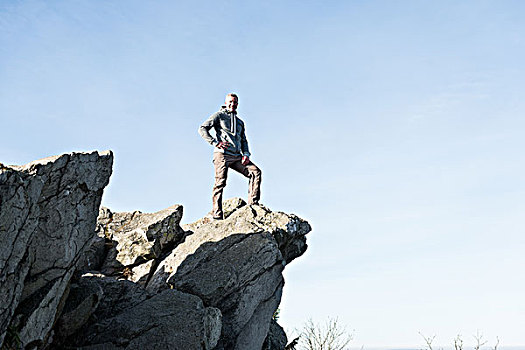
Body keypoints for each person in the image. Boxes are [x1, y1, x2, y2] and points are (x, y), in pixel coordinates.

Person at [198, 93, 262, 220]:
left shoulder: (240, 122)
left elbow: (244, 140)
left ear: (237, 104)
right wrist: (215, 143)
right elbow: (202, 128)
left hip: (237, 156)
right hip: (222, 155)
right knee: (220, 182)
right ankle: (217, 213)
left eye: (235, 102)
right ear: (226, 103)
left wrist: (246, 154)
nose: (233, 104)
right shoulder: (219, 116)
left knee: (255, 172)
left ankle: (253, 204)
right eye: (230, 102)